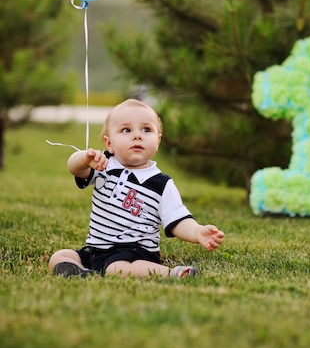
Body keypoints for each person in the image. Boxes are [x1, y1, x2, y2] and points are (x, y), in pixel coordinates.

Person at [49, 98, 224, 279]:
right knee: (60, 256)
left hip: (134, 253)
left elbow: (178, 218)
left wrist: (197, 232)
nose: (137, 135)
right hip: (97, 249)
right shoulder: (103, 165)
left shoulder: (161, 184)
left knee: (117, 269)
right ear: (109, 143)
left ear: (157, 141)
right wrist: (84, 158)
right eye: (126, 130)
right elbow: (75, 168)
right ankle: (84, 272)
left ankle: (171, 273)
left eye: (146, 130)